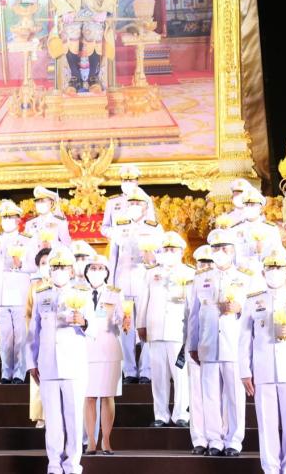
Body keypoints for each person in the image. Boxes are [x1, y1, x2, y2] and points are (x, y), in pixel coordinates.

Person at [239, 248, 286, 474]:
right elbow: (244, 339)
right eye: (270, 268)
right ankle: (271, 470)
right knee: (267, 426)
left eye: (278, 268)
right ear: (263, 273)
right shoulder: (253, 301)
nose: (274, 272)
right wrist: (245, 370)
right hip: (263, 371)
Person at [27, 246, 95, 474]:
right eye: (55, 267)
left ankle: (73, 465)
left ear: (71, 270)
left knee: (73, 419)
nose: (58, 271)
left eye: (63, 267)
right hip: (47, 365)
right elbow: (33, 332)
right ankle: (54, 465)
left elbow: (94, 328)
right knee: (53, 422)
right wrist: (31, 362)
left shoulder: (83, 294)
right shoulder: (41, 294)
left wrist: (84, 322)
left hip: (73, 365)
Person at [187, 228, 251, 457]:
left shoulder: (245, 279)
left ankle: (234, 440)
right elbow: (194, 315)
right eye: (216, 248)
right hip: (208, 344)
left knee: (234, 397)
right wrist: (192, 344)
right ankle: (215, 440)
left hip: (234, 346)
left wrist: (239, 308)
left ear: (233, 251)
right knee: (210, 396)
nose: (220, 253)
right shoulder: (201, 279)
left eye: (224, 248)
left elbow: (253, 316)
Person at [107, 186, 163, 383]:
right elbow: (113, 256)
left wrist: (152, 257)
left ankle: (146, 370)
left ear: (146, 206)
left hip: (144, 282)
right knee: (126, 327)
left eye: (138, 203)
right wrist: (112, 284)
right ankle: (129, 371)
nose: (134, 206)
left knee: (145, 325)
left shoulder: (154, 227)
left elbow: (161, 257)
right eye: (131, 203)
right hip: (124, 282)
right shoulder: (120, 225)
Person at [137, 231, 194, 428]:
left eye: (173, 249)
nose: (169, 252)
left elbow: (193, 305)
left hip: (179, 330)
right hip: (155, 329)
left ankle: (181, 414)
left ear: (181, 252)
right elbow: (143, 300)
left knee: (180, 375)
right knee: (159, 376)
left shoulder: (189, 272)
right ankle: (161, 414)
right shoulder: (151, 273)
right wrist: (141, 324)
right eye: (166, 249)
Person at [83, 253, 127, 455]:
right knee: (89, 396)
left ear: (107, 272)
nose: (96, 271)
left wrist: (122, 319)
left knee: (108, 396)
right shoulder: (78, 292)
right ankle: (91, 441)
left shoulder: (115, 293)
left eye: (101, 268)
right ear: (86, 271)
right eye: (93, 268)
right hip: (86, 349)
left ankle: (106, 440)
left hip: (109, 349)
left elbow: (121, 319)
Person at [0, 199, 31, 384]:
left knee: (20, 336)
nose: (7, 220)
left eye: (11, 217)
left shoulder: (27, 240)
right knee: (5, 338)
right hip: (1, 294)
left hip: (19, 293)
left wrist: (21, 265)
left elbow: (34, 266)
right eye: (4, 217)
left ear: (18, 219)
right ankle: (6, 372)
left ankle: (19, 373)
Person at [186, 244, 214, 455]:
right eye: (201, 263)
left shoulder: (221, 284)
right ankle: (199, 439)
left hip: (214, 346)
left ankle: (216, 437)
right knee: (195, 393)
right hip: (193, 346)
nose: (204, 267)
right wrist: (189, 345)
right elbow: (188, 318)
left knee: (216, 395)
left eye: (208, 263)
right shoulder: (190, 285)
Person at [25, 247, 51, 428]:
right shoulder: (34, 287)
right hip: (38, 339)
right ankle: (40, 416)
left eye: (49, 262)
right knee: (38, 378)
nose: (46, 266)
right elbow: (28, 313)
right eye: (43, 263)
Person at [100, 165, 156, 236]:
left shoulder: (146, 200)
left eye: (131, 180)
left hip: (140, 240)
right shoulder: (112, 202)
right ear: (121, 181)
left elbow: (151, 224)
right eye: (125, 180)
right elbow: (104, 228)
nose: (128, 183)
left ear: (137, 181)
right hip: (119, 241)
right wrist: (116, 233)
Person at [23, 186, 71, 269]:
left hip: (53, 262)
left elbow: (67, 244)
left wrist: (51, 245)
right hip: (33, 265)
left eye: (42, 201)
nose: (39, 204)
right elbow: (25, 244)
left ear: (51, 203)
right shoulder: (29, 223)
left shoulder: (59, 221)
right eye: (37, 201)